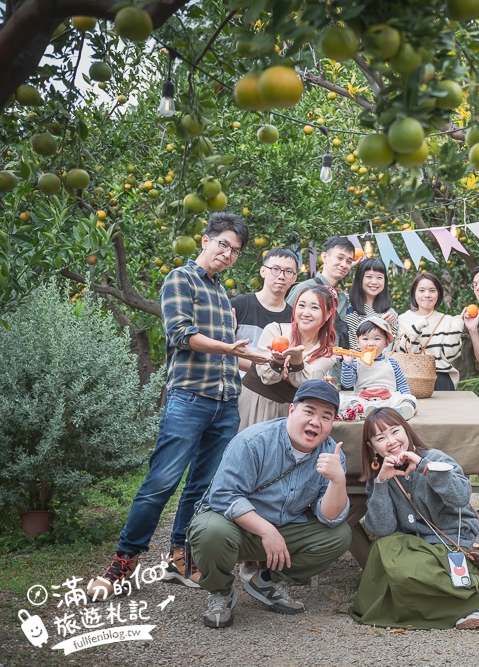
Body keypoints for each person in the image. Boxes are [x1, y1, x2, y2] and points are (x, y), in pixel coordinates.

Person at [88, 213, 269, 600]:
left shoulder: (222, 293)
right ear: (204, 240)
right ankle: (122, 561)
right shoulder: (179, 279)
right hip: (189, 399)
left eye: (235, 251)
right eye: (223, 244)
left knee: (202, 487)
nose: (228, 254)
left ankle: (180, 556)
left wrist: (266, 360)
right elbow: (181, 335)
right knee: (160, 484)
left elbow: (233, 355)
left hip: (225, 402)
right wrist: (227, 347)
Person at [187, 380, 352, 628]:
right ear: (292, 410)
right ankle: (220, 591)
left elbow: (329, 517)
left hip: (285, 529)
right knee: (210, 531)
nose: (316, 422)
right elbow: (224, 496)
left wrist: (338, 481)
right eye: (309, 411)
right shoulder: (253, 441)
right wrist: (267, 530)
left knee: (339, 535)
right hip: (236, 527)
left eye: (325, 416)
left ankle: (265, 580)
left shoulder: (332, 455)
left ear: (332, 423)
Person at [350, 408, 479, 630]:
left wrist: (425, 468)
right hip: (419, 547)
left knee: (411, 575)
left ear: (406, 430)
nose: (391, 441)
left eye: (394, 431)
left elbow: (461, 497)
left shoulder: (434, 458)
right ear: (372, 447)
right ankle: (470, 604)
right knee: (383, 550)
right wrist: (380, 485)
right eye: (380, 438)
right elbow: (383, 529)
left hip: (455, 541)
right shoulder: (380, 475)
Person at [237, 285, 339, 431]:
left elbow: (304, 384)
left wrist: (297, 361)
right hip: (253, 402)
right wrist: (278, 361)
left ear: (328, 314)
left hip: (287, 413)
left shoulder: (327, 354)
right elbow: (267, 376)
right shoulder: (275, 330)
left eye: (315, 308)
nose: (306, 313)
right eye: (301, 305)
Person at [231, 247, 298, 378]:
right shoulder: (238, 306)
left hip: (274, 390)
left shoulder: (294, 317)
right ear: (263, 271)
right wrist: (265, 369)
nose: (281, 276)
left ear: (294, 278)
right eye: (275, 269)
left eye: (288, 272)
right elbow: (222, 349)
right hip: (236, 388)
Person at [395, 272, 465, 390]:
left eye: (432, 291)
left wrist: (457, 326)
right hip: (410, 378)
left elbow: (450, 355)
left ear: (438, 294)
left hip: (441, 378)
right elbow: (403, 351)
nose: (427, 295)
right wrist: (417, 327)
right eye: (421, 290)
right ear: (414, 293)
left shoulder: (448, 321)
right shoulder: (403, 319)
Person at [338, 317, 417, 420]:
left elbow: (402, 384)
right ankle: (366, 411)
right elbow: (347, 384)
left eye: (377, 339)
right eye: (365, 339)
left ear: (386, 343)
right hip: (364, 399)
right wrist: (347, 364)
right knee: (347, 401)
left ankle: (403, 409)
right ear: (358, 342)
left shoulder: (392, 362)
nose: (371, 343)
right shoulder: (355, 362)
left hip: (389, 398)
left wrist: (408, 400)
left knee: (409, 398)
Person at [288, 237, 355, 348]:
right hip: (305, 360)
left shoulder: (342, 298)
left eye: (349, 261)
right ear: (324, 257)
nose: (344, 264)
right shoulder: (304, 289)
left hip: (336, 362)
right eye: (339, 258)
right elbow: (285, 323)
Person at [345, 256, 399, 340]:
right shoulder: (345, 301)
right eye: (369, 277)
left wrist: (387, 327)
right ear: (360, 278)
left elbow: (390, 348)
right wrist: (347, 266)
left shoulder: (389, 314)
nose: (374, 282)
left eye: (379, 277)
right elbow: (321, 290)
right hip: (343, 353)